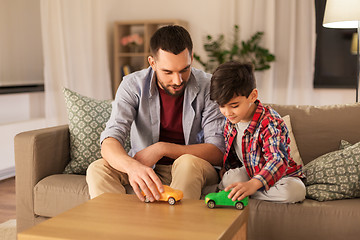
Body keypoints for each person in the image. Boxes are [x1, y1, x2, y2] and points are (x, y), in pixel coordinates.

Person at [86, 25, 225, 202]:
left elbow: (217, 150)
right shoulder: (132, 85)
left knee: (187, 163)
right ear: (152, 63)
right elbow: (110, 139)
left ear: (191, 57)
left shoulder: (209, 86)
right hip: (146, 166)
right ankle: (118, 228)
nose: (177, 80)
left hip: (193, 166)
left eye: (184, 69)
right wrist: (132, 167)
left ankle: (176, 229)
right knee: (97, 168)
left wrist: (162, 148)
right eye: (168, 72)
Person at [209, 61, 306, 203]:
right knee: (232, 178)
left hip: (279, 177)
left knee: (295, 191)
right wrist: (227, 168)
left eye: (234, 105)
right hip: (248, 172)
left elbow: (277, 160)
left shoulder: (270, 122)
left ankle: (241, 194)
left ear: (253, 96)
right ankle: (239, 192)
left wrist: (253, 185)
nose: (227, 112)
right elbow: (233, 154)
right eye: (221, 106)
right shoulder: (231, 120)